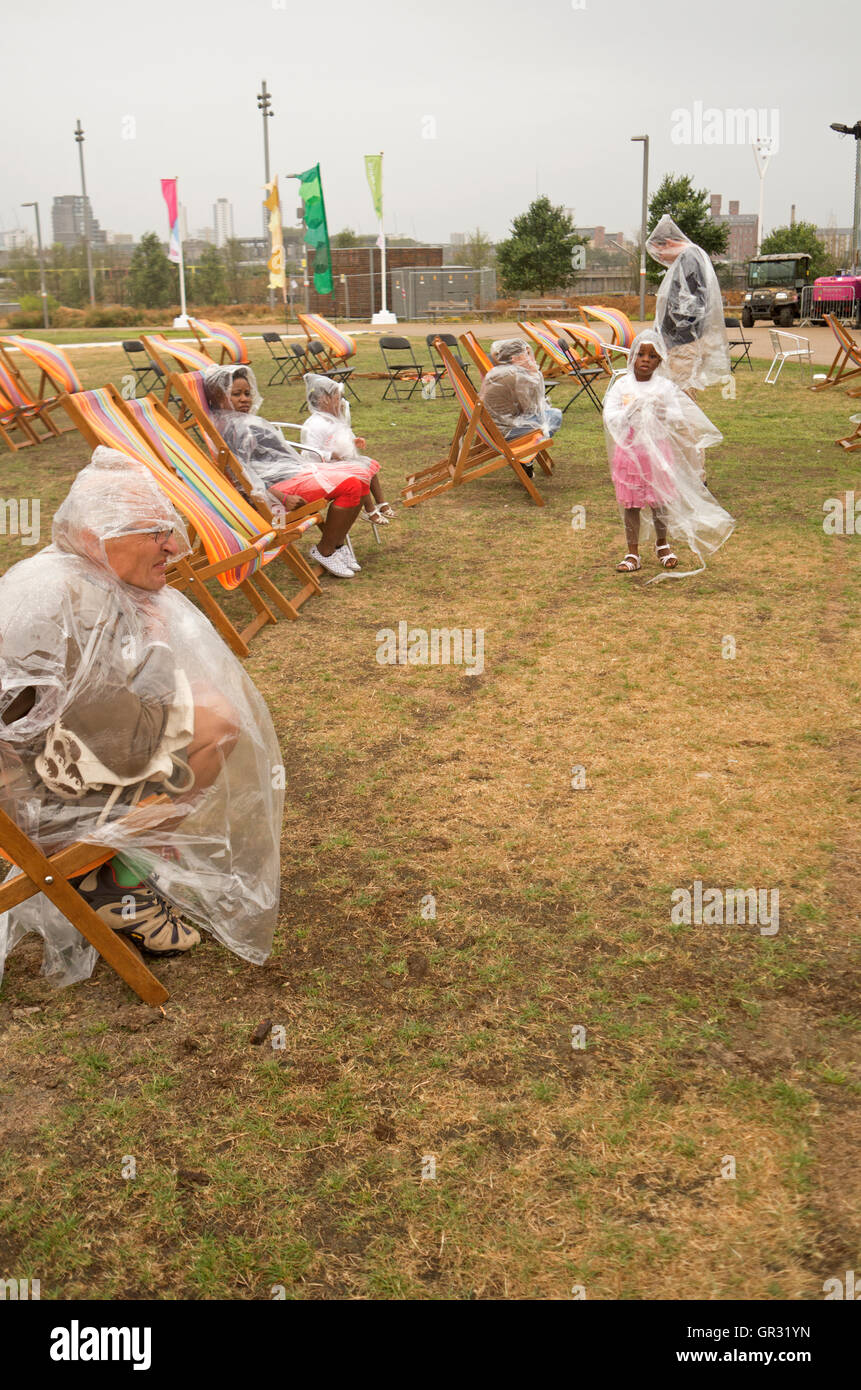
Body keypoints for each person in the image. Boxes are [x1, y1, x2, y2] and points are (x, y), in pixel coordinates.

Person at [0, 448, 284, 987]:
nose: (174, 547)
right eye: (155, 533)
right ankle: (97, 868)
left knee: (212, 714)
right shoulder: (48, 597)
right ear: (94, 538)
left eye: (170, 531)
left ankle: (112, 861)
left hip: (70, 758)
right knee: (216, 724)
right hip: (34, 790)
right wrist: (36, 826)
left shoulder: (95, 583)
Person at [204, 364, 370, 580]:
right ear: (218, 396)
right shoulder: (230, 429)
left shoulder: (243, 421)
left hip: (291, 474)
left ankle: (337, 545)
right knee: (351, 485)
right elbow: (241, 475)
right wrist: (280, 496)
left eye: (247, 393)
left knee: (361, 476)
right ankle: (325, 550)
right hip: (277, 490)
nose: (245, 399)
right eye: (236, 394)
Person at [603, 330, 734, 579]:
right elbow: (610, 415)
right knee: (631, 504)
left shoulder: (664, 387)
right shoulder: (622, 385)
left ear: (660, 361)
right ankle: (632, 552)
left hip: (657, 452)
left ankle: (662, 544)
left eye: (652, 356)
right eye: (640, 354)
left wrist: (662, 412)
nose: (645, 360)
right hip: (630, 453)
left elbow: (677, 415)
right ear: (632, 357)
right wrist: (629, 413)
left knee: (659, 500)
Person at [645, 214, 731, 393]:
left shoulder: (689, 259)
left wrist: (674, 341)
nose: (662, 259)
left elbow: (688, 306)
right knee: (679, 391)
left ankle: (683, 422)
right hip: (685, 340)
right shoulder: (693, 257)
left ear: (668, 243)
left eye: (660, 254)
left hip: (683, 344)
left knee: (680, 392)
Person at [301, 374, 394, 528]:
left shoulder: (334, 419)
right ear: (324, 401)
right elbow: (311, 451)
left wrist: (354, 442)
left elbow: (342, 438)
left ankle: (381, 502)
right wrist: (331, 455)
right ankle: (369, 510)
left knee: (369, 465)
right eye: (337, 399)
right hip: (321, 467)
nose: (340, 403)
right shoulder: (315, 423)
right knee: (359, 471)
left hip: (339, 462)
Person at [479, 339, 562, 476]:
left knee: (549, 414)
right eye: (526, 354)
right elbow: (532, 408)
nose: (530, 358)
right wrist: (535, 373)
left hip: (492, 428)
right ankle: (526, 458)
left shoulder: (498, 371)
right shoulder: (516, 376)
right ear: (515, 358)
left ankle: (527, 458)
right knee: (555, 416)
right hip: (505, 432)